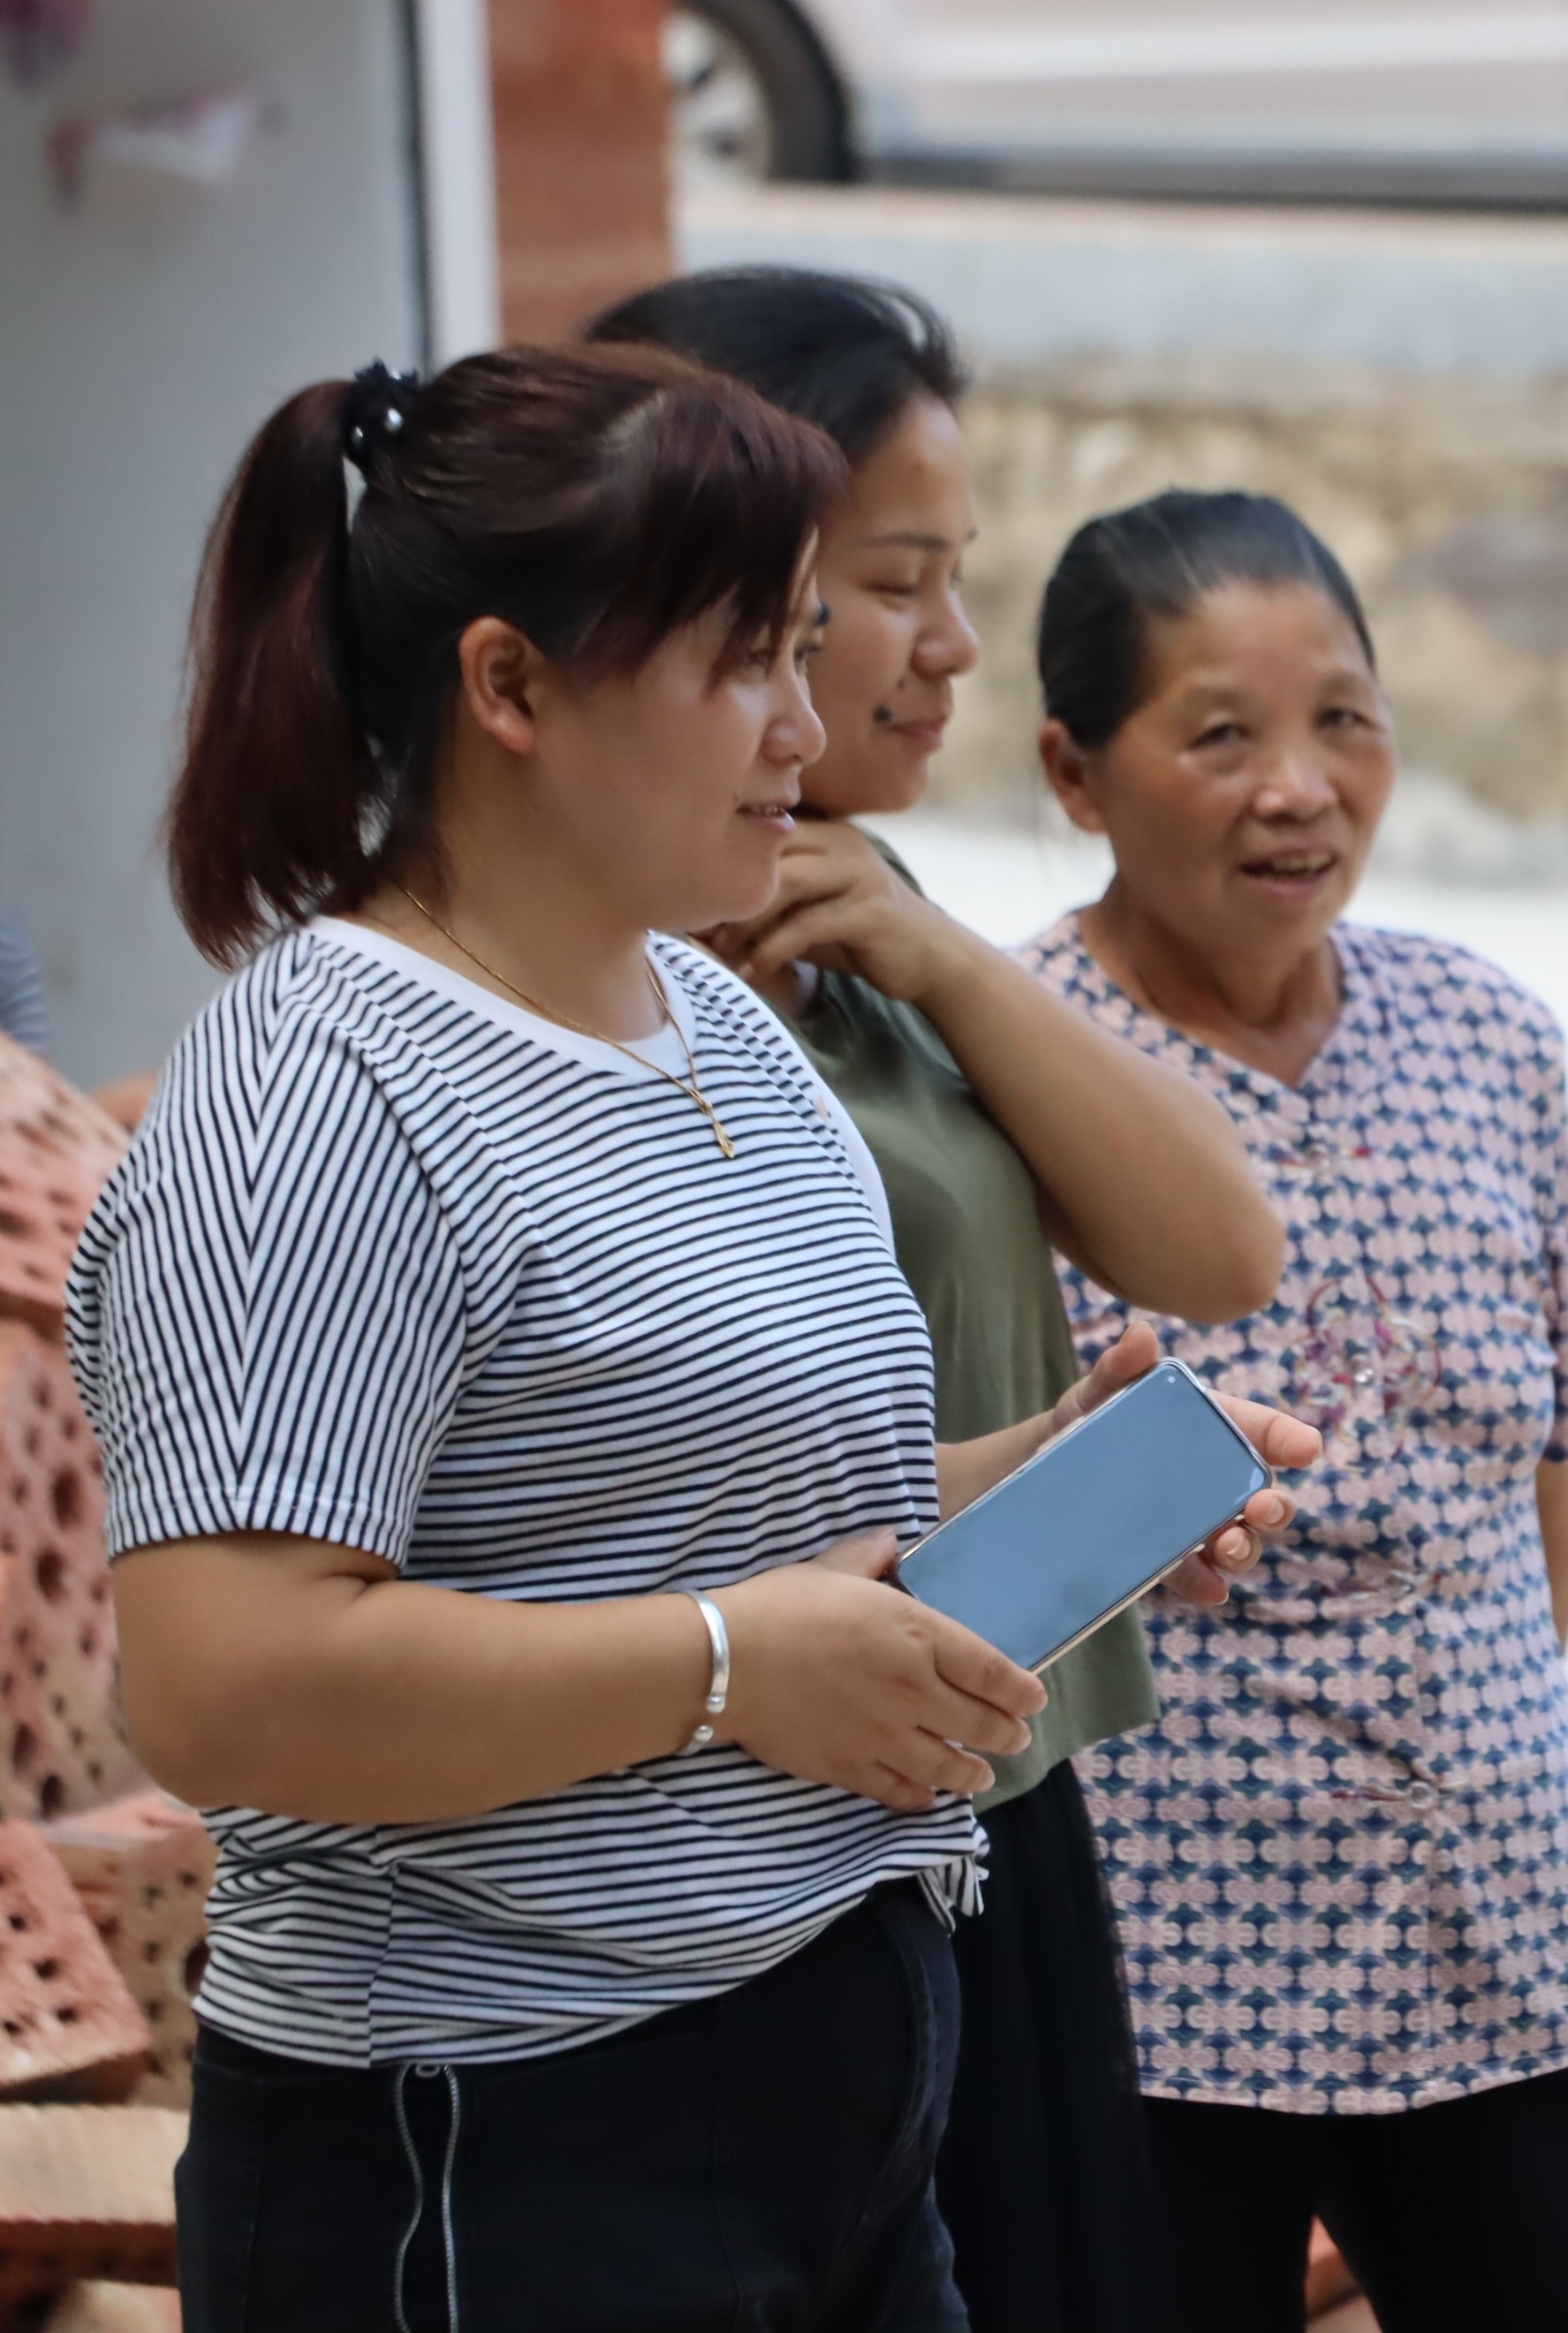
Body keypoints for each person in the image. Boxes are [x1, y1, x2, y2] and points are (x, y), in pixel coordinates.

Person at [67, 345, 1315, 2329]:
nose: (810, 727)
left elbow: (733, 1511)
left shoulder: (706, 1015)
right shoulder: (323, 1092)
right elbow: (230, 1679)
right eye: (749, 660)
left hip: (829, 2056)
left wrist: (1053, 1477)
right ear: (509, 689)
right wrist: (735, 1668)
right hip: (488, 2134)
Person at [587, 268, 1288, 2333]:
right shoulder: (621, 984)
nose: (952, 645)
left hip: (1005, 1797)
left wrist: (945, 958)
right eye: (898, 582)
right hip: (780, 1849)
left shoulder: (875, 937)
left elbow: (1222, 1250)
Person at [1020, 489, 1568, 2333]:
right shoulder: (1000, 1069)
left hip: (1514, 1920)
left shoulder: (1488, 1037)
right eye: (1220, 733)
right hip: (1165, 1961)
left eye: (1345, 717)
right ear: (1073, 771)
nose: (1301, 787)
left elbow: (1541, 1498)